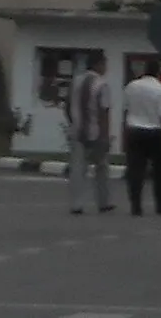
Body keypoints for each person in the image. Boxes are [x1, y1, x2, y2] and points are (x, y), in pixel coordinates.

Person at [122, 60, 161, 216]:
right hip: (155, 132)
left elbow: (126, 111)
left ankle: (136, 205)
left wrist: (125, 133)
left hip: (134, 130)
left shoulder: (131, 87)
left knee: (135, 170)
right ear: (158, 73)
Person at [65, 51, 113, 215]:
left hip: (77, 132)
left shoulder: (76, 82)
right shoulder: (102, 84)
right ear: (99, 64)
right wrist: (105, 136)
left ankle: (76, 204)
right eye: (105, 63)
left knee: (78, 169)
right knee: (101, 168)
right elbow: (103, 112)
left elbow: (67, 106)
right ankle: (103, 202)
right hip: (96, 133)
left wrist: (74, 123)